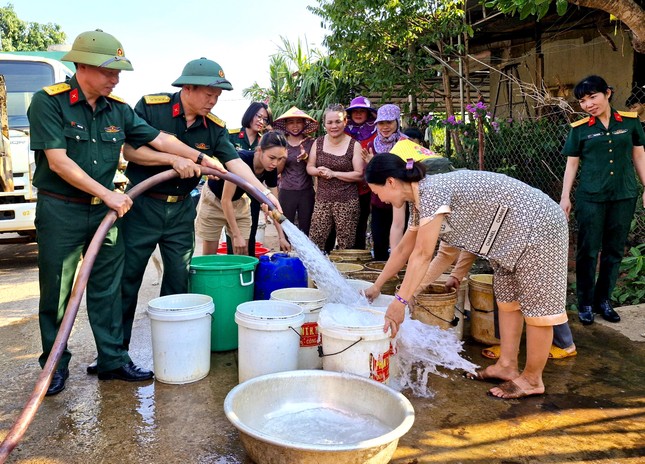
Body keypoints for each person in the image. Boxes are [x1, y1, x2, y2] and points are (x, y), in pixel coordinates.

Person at [27, 30, 223, 395]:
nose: (115, 79)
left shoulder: (117, 109)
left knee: (108, 288)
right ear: (81, 65)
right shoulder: (49, 102)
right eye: (108, 71)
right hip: (62, 210)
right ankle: (54, 364)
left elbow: (158, 139)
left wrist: (196, 157)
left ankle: (112, 360)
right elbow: (58, 161)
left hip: (104, 212)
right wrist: (110, 194)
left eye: (118, 73)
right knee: (57, 292)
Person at [115, 58, 283, 361]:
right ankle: (116, 353)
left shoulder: (215, 127)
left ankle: (174, 349)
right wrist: (171, 160)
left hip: (180, 212)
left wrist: (264, 196)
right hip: (143, 206)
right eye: (208, 93)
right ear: (187, 88)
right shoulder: (153, 108)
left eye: (217, 95)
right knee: (128, 277)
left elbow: (233, 165)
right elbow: (130, 150)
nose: (213, 100)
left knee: (179, 279)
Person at [364, 154, 569, 399]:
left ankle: (532, 379)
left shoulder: (432, 191)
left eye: (377, 192)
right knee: (507, 302)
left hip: (539, 224)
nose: (379, 199)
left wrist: (400, 302)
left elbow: (422, 254)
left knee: (538, 309)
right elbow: (404, 250)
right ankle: (507, 365)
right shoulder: (420, 201)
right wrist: (377, 287)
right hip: (508, 240)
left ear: (390, 182)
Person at [560, 75, 645, 325]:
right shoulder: (580, 130)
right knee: (587, 250)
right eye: (583, 101)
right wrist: (565, 197)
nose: (588, 104)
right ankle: (585, 302)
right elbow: (571, 164)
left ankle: (604, 301)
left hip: (623, 194)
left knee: (614, 250)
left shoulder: (630, 124)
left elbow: (639, 155)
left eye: (593, 97)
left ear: (607, 93)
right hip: (591, 198)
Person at [420, 242, 576, 360]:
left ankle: (565, 344)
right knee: (503, 286)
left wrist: (411, 293)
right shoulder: (468, 209)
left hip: (533, 232)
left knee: (541, 289)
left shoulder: (464, 206)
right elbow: (473, 242)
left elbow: (448, 252)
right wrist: (457, 275)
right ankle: (509, 348)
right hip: (510, 240)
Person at [196, 130, 290, 256]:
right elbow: (225, 200)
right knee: (210, 255)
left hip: (239, 201)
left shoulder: (271, 169)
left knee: (243, 252)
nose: (275, 163)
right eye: (272, 158)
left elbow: (274, 206)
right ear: (259, 150)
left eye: (280, 159)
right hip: (215, 200)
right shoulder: (241, 161)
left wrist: (281, 236)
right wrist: (236, 235)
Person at [306, 104, 363, 251]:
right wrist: (319, 172)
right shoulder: (318, 143)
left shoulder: (354, 145)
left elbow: (359, 174)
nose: (334, 126)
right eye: (329, 122)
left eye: (338, 122)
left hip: (347, 201)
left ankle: (344, 272)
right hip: (322, 199)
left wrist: (334, 173)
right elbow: (309, 167)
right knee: (315, 240)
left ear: (345, 122)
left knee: (347, 243)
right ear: (324, 124)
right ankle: (316, 273)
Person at [362, 104, 409, 261]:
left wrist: (375, 162)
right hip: (379, 201)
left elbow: (408, 170)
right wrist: (371, 164)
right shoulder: (371, 145)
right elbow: (368, 175)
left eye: (389, 122)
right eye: (381, 123)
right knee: (379, 239)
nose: (385, 127)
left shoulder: (406, 144)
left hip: (402, 200)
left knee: (402, 239)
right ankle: (382, 273)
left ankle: (401, 272)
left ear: (397, 121)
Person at [273, 106, 318, 235]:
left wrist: (306, 158)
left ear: (304, 124)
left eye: (298, 122)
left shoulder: (311, 142)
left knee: (307, 226)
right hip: (287, 191)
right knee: (286, 226)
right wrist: (283, 158)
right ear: (285, 125)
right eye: (291, 122)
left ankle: (306, 254)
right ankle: (285, 254)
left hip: (307, 191)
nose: (295, 126)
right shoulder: (281, 143)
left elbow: (314, 166)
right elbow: (277, 171)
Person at [345, 96, 378, 249]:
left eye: (362, 111)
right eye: (355, 111)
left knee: (364, 218)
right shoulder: (342, 131)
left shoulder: (377, 132)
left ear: (368, 113)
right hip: (345, 182)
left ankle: (359, 251)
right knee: (345, 219)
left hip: (369, 184)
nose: (358, 114)